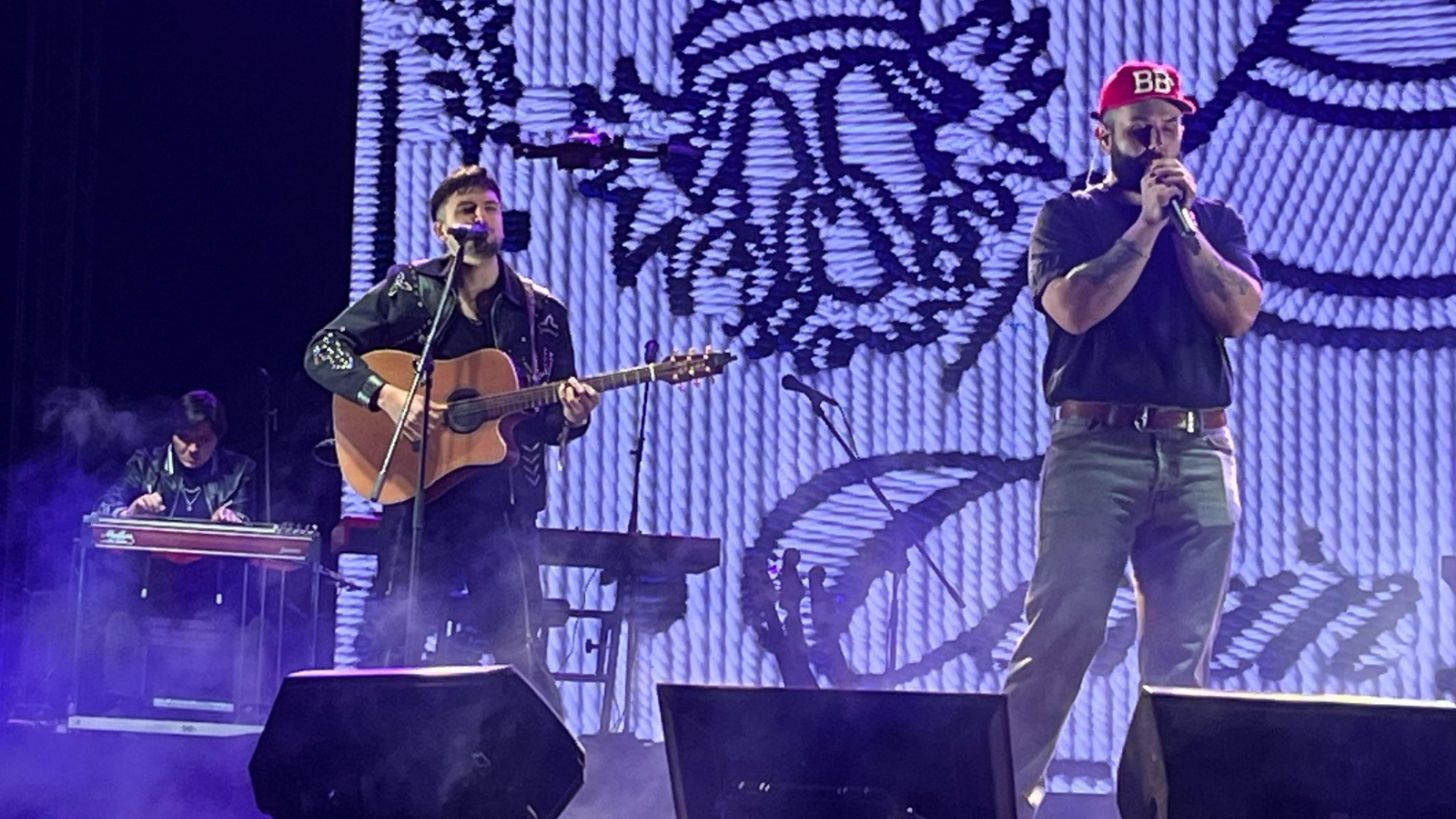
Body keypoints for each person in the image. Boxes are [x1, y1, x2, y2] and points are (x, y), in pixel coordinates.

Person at [1002, 60, 1263, 817]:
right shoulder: (1068, 218)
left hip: (1198, 449)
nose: (1158, 144)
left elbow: (1238, 313)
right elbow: (1075, 308)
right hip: (1098, 447)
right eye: (1140, 130)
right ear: (1104, 134)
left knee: (1181, 663)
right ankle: (1002, 801)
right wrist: (1145, 224)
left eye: (1170, 128)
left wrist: (1183, 228)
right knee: (1062, 634)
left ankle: (1159, 809)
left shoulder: (1214, 222)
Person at [304, 165, 598, 707]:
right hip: (419, 505)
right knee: (394, 643)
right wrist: (386, 395)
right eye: (467, 211)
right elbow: (324, 350)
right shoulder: (411, 292)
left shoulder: (543, 315)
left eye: (490, 208)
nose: (482, 218)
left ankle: (542, 757)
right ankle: (377, 752)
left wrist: (574, 417)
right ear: (442, 230)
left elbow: (547, 420)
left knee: (520, 652)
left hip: (504, 510)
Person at [86, 390, 257, 713]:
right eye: (185, 438)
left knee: (255, 624)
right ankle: (121, 707)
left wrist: (233, 520)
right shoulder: (145, 464)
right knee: (118, 617)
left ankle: (249, 709)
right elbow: (103, 510)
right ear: (172, 435)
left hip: (213, 586)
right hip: (151, 584)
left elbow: (249, 524)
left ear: (218, 438)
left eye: (204, 440)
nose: (193, 449)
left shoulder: (238, 470)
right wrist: (132, 511)